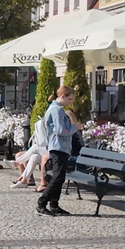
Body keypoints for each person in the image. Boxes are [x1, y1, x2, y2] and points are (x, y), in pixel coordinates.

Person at [36, 85, 79, 216]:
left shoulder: (56, 109)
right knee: (58, 177)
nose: (70, 102)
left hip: (60, 147)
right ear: (62, 96)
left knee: (59, 177)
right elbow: (61, 131)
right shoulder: (56, 110)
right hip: (58, 146)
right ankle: (42, 203)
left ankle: (54, 204)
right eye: (69, 99)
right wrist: (74, 127)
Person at [12, 116, 49, 189]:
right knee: (34, 156)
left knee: (35, 148)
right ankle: (24, 181)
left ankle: (18, 162)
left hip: (54, 153)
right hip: (47, 151)